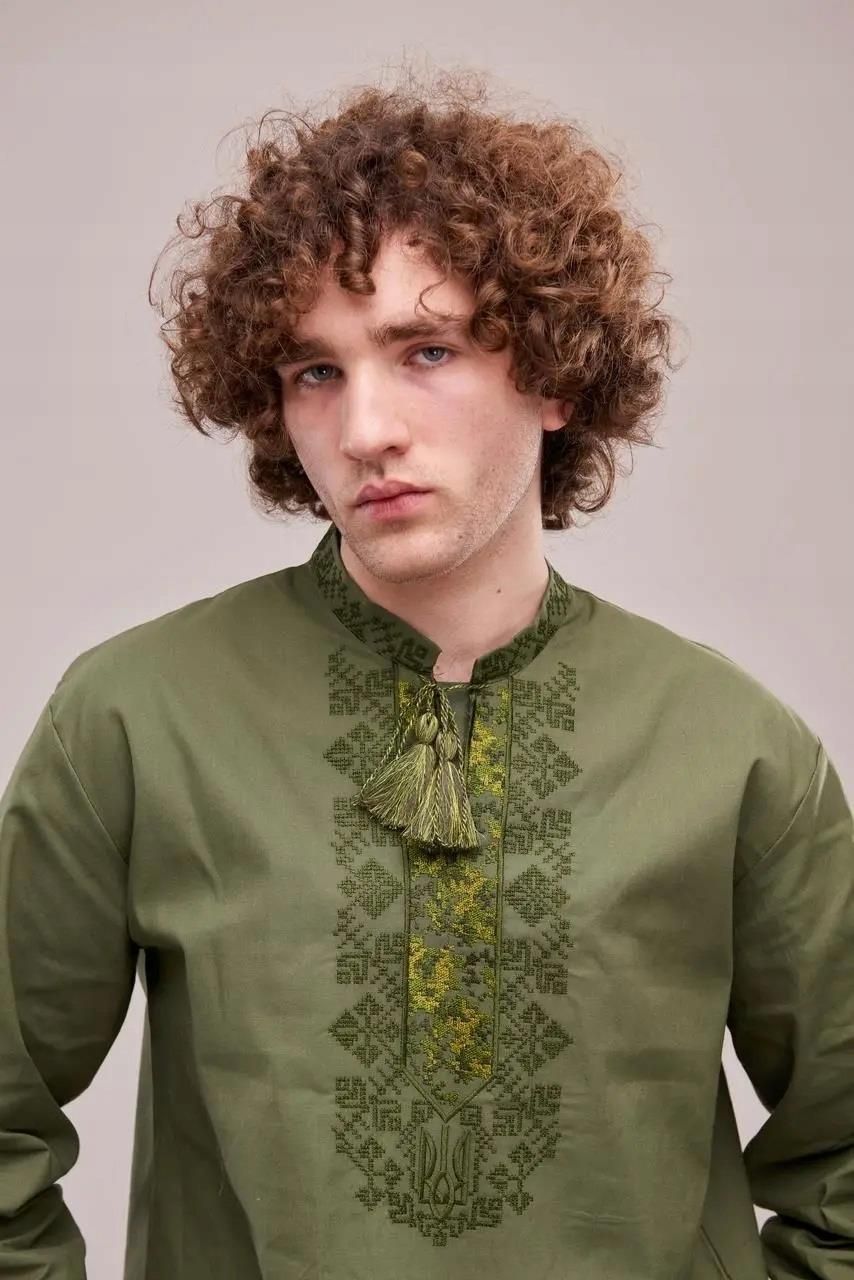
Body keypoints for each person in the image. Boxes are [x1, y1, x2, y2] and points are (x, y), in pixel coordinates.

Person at [0, 68, 851, 1280]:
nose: (364, 430)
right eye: (315, 371)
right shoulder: (134, 719)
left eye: (426, 349)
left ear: (553, 374)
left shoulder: (733, 747)